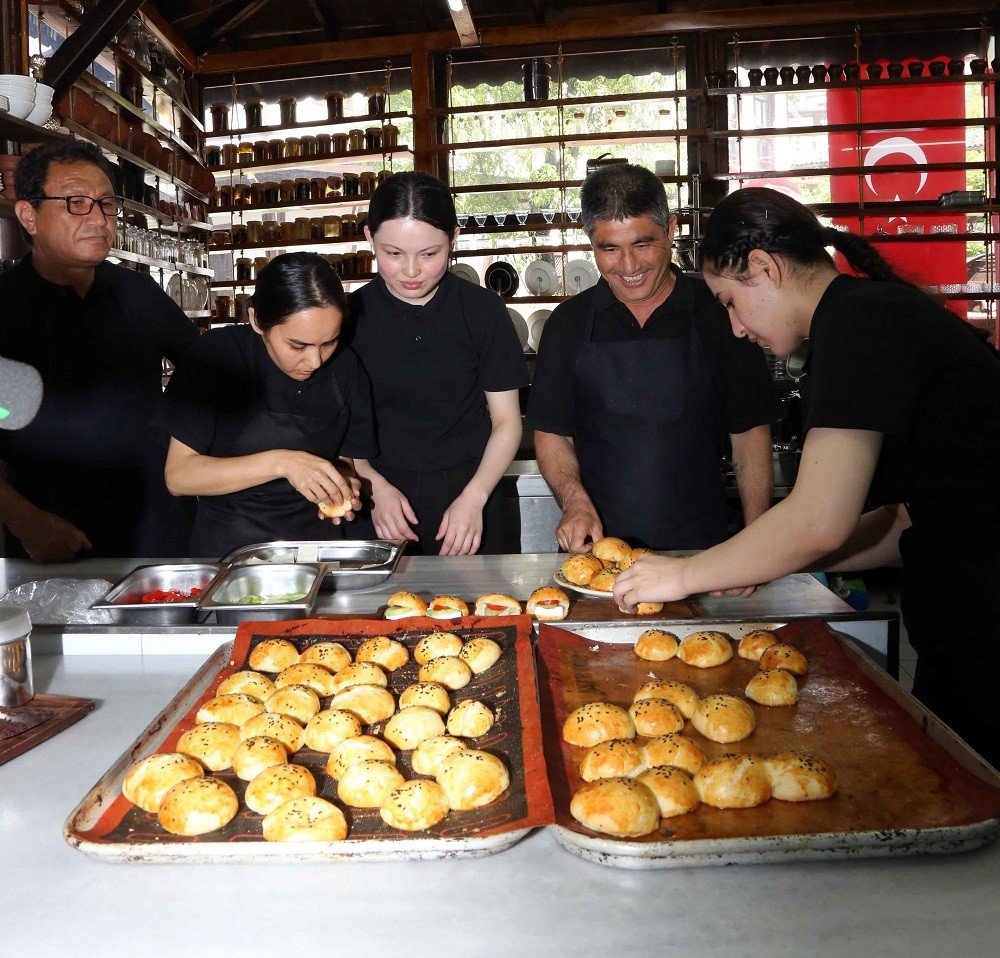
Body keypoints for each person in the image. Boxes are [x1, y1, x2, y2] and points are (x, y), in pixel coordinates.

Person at [615, 187, 1000, 768]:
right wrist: (757, 558)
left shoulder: (858, 322)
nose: (737, 328)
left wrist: (688, 574)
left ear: (764, 268)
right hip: (962, 623)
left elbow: (820, 519)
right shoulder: (868, 315)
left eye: (729, 301)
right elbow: (905, 520)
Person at [528, 164, 777, 558]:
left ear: (671, 229)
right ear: (590, 242)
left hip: (703, 555)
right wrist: (574, 502)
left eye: (643, 244)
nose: (628, 266)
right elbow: (553, 432)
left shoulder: (719, 314)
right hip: (598, 556)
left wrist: (758, 539)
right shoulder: (567, 325)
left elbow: (749, 434)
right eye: (609, 248)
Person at [0, 139, 198, 560]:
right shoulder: (3, 306)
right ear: (28, 215)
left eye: (106, 204)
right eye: (75, 203)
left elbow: (205, 369)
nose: (98, 219)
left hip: (155, 529)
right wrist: (24, 520)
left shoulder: (138, 293)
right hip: (50, 533)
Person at [348, 172, 529, 555]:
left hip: (473, 494)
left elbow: (507, 421)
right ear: (369, 238)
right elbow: (339, 426)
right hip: (379, 499)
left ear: (453, 238)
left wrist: (475, 496)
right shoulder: (347, 317)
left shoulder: (483, 312)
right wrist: (371, 485)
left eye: (429, 254)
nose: (411, 271)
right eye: (392, 254)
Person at [159, 252, 376, 558]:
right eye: (297, 346)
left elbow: (345, 461)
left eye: (329, 342)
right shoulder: (218, 356)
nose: (314, 361)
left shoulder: (346, 367)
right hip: (229, 553)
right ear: (256, 320)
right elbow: (179, 476)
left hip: (317, 552)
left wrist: (339, 483)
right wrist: (283, 463)